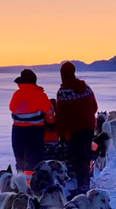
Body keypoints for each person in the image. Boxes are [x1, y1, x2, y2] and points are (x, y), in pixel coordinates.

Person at [55, 61, 98, 196]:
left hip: (75, 130)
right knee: (84, 157)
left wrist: (61, 134)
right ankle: (84, 184)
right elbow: (94, 107)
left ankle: (82, 189)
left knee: (77, 159)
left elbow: (61, 115)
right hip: (89, 127)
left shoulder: (63, 92)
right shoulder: (86, 88)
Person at [9, 69, 55, 174]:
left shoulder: (16, 94)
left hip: (17, 131)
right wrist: (51, 123)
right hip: (35, 132)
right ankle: (31, 185)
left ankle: (20, 184)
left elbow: (11, 108)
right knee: (33, 161)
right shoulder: (40, 95)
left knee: (20, 160)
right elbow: (50, 113)